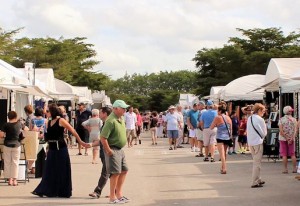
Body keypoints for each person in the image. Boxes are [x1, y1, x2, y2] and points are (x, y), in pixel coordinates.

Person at [32, 103, 90, 198]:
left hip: (61, 148)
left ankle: (62, 191)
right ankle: (47, 190)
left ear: (52, 112)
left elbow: (72, 130)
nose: (46, 113)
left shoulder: (61, 120)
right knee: (49, 170)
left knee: (62, 170)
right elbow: (47, 136)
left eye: (47, 111)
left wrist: (81, 141)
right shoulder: (48, 122)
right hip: (52, 149)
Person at [100, 100, 130, 204]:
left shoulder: (120, 118)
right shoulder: (111, 120)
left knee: (124, 170)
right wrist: (108, 150)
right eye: (123, 108)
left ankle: (119, 194)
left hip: (120, 149)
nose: (125, 110)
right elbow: (103, 137)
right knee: (115, 173)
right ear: (116, 108)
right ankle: (112, 197)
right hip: (113, 149)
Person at [89, 106, 112, 199]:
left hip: (107, 151)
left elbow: (106, 139)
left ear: (105, 113)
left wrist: (108, 150)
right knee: (109, 172)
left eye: (101, 112)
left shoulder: (109, 123)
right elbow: (102, 139)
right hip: (104, 151)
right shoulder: (105, 123)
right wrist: (91, 145)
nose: (99, 115)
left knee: (106, 172)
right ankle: (114, 192)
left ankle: (98, 191)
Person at [0, 111, 24, 186]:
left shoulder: (5, 125)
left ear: (8, 117)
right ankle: (14, 180)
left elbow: (1, 135)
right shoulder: (19, 124)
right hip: (17, 145)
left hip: (7, 144)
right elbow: (25, 130)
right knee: (15, 162)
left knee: (7, 162)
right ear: (16, 116)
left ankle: (9, 179)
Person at [246, 103, 267, 188]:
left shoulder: (249, 118)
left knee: (256, 161)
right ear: (259, 110)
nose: (264, 112)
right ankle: (254, 181)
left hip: (251, 142)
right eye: (263, 111)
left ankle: (258, 179)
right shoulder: (260, 119)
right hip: (258, 142)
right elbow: (264, 133)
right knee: (257, 163)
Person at [210, 102, 232, 174]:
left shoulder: (217, 117)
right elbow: (231, 129)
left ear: (219, 111)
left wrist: (217, 125)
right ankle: (222, 167)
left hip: (220, 137)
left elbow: (211, 127)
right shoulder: (228, 118)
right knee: (224, 153)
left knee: (221, 154)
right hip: (227, 137)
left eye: (217, 111)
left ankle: (224, 168)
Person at [278, 106, 297, 174]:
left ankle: (285, 169)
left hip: (283, 139)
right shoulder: (294, 120)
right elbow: (295, 130)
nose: (291, 111)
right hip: (292, 139)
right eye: (290, 111)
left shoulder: (281, 120)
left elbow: (281, 131)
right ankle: (294, 169)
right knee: (292, 154)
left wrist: (286, 138)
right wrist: (291, 138)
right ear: (288, 112)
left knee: (284, 154)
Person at [29, 107, 48, 174]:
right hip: (43, 139)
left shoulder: (32, 120)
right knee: (43, 153)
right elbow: (46, 130)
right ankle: (43, 169)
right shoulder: (45, 120)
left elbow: (30, 130)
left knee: (34, 154)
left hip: (34, 139)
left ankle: (33, 169)